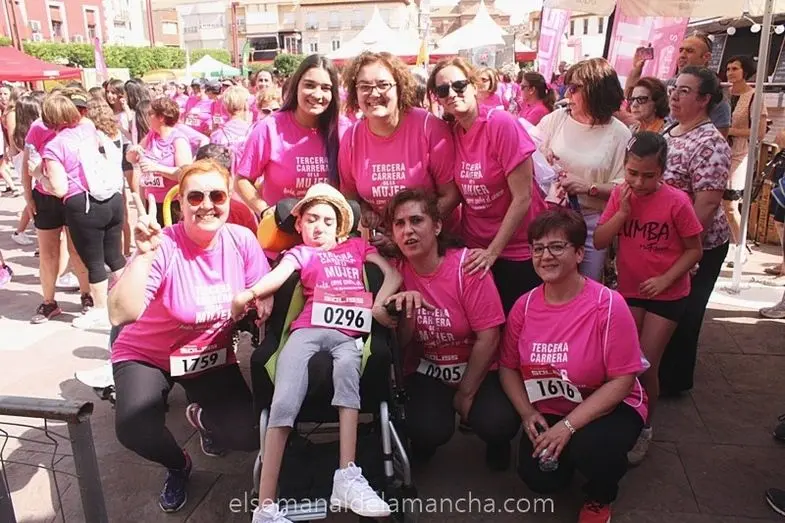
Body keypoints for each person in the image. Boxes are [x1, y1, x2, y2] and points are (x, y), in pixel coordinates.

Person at [231, 184, 400, 523]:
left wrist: (379, 305)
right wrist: (248, 294)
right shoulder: (300, 254)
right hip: (307, 328)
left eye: (327, 220)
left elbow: (392, 274)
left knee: (348, 372)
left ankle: (347, 475)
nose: (319, 227)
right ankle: (265, 506)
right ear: (299, 225)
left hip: (348, 331)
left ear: (340, 227)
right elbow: (276, 278)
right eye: (311, 220)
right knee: (284, 400)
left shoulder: (357, 246)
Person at [108, 160, 269, 513]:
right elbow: (120, 313)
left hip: (208, 354)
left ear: (229, 199)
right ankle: (179, 465)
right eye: (195, 197)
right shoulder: (164, 244)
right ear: (180, 202)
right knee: (135, 429)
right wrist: (143, 256)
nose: (206, 205)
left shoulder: (241, 240)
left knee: (248, 433)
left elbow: (262, 291)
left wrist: (263, 303)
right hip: (147, 353)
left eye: (217, 196)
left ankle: (201, 418)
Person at [499, 208, 648, 523]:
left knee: (595, 449)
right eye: (538, 248)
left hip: (609, 405)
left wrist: (568, 427)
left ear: (580, 253)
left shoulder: (609, 305)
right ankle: (569, 456)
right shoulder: (523, 306)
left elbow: (622, 380)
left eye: (557, 247)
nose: (545, 256)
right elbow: (507, 367)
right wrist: (527, 413)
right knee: (539, 479)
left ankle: (600, 495)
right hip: (550, 407)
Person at [384, 189, 520, 471]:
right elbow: (400, 345)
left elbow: (489, 336)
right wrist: (408, 314)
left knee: (498, 422)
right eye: (399, 223)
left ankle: (497, 442)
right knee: (426, 429)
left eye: (416, 220)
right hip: (428, 369)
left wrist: (466, 392)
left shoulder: (466, 266)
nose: (408, 230)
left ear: (437, 226)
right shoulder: (393, 273)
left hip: (479, 366)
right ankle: (425, 440)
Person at [593, 132, 703, 465]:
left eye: (648, 175)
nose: (639, 182)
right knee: (623, 362)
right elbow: (599, 241)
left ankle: (643, 427)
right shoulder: (620, 195)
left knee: (646, 365)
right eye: (632, 173)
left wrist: (666, 279)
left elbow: (694, 250)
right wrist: (622, 214)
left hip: (667, 294)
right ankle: (621, 415)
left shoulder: (677, 201)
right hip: (629, 290)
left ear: (663, 172)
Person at [429, 57, 545, 312]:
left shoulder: (500, 123)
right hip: (474, 248)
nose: (452, 94)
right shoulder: (452, 133)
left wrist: (493, 252)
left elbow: (523, 196)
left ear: (473, 86)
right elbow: (456, 193)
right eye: (443, 90)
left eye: (459, 85)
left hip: (516, 249)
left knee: (517, 322)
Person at [339, 51, 461, 252]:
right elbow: (351, 199)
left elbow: (451, 195)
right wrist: (366, 211)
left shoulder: (429, 128)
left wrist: (402, 236)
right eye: (364, 86)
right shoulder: (351, 138)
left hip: (437, 249)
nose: (374, 93)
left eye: (383, 85)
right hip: (384, 250)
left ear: (400, 87)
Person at [659, 66, 732, 396]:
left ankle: (673, 382)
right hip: (664, 238)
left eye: (685, 91)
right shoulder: (671, 129)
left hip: (698, 243)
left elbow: (707, 203)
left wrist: (689, 250)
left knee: (686, 312)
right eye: (674, 88)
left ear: (704, 100)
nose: (675, 95)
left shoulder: (710, 143)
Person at [536, 58, 631, 282]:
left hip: (591, 224)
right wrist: (542, 156)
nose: (568, 94)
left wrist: (589, 188)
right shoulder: (555, 119)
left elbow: (627, 187)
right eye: (568, 87)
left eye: (575, 88)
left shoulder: (619, 133)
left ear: (596, 91)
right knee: (549, 284)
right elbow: (527, 154)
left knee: (586, 286)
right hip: (551, 219)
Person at [41, 91, 124, 330]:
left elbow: (59, 188)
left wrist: (41, 177)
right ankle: (128, 299)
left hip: (84, 205)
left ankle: (100, 310)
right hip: (113, 197)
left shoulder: (54, 146)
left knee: (94, 261)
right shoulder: (89, 128)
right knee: (115, 256)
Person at [237, 55, 345, 220]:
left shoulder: (343, 129)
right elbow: (242, 179)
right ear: (296, 86)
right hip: (281, 231)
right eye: (309, 85)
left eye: (325, 88)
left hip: (328, 232)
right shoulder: (269, 128)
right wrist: (265, 211)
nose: (317, 95)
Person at [626, 32, 731, 138]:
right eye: (681, 50)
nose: (682, 55)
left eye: (690, 51)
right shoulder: (670, 84)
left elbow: (720, 138)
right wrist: (636, 69)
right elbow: (632, 94)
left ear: (706, 57)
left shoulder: (717, 98)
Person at [724, 55, 766, 267]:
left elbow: (759, 132)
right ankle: (731, 245)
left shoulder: (754, 96)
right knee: (718, 204)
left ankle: (741, 247)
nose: (730, 72)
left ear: (745, 72)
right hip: (719, 152)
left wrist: (730, 130)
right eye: (728, 69)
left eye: (735, 69)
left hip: (740, 154)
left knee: (730, 204)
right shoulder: (724, 94)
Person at [126, 96, 193, 219]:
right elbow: (132, 159)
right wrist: (132, 152)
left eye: (150, 113)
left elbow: (184, 173)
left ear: (161, 117)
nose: (147, 117)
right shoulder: (152, 135)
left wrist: (156, 168)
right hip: (151, 200)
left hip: (172, 202)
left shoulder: (178, 139)